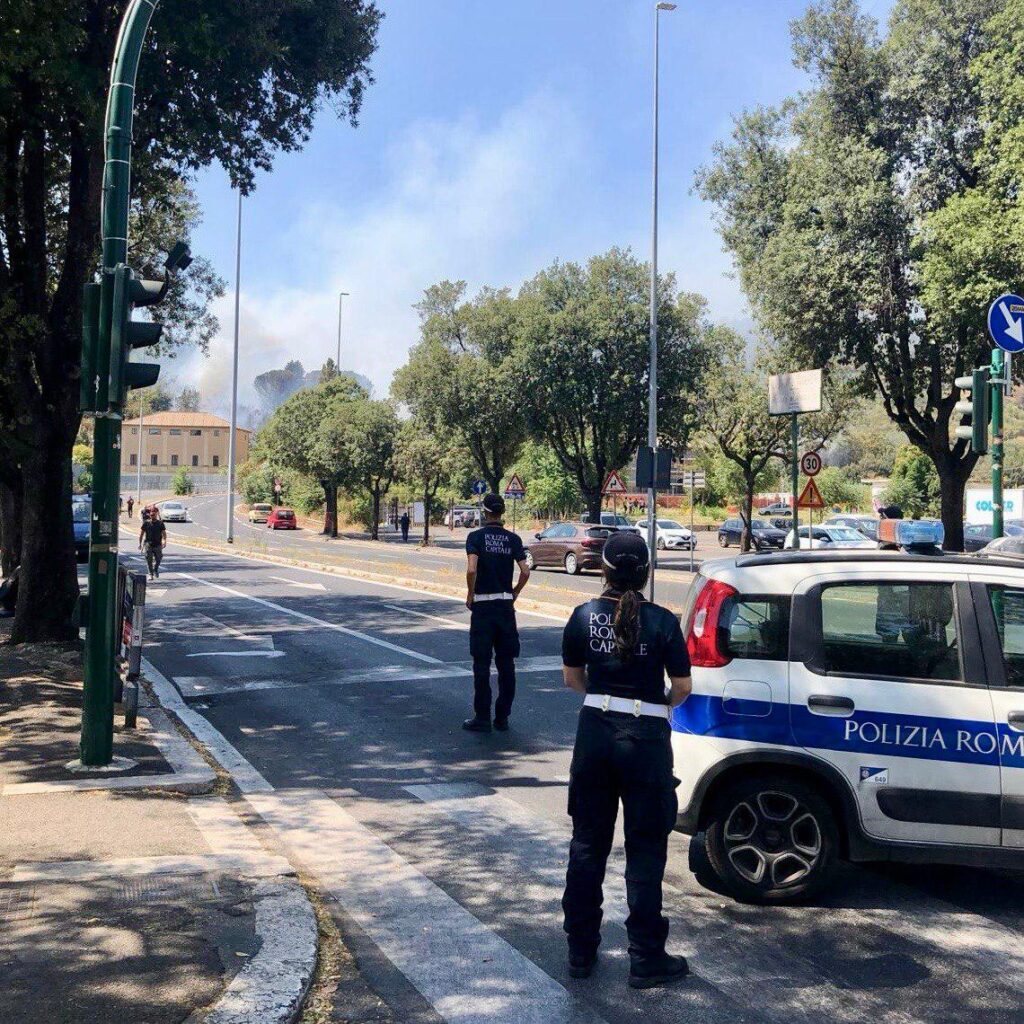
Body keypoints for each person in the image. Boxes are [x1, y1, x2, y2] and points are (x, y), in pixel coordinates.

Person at [560, 531, 692, 989]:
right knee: (646, 849)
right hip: (646, 741)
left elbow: (573, 679)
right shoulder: (663, 621)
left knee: (587, 845)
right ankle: (645, 957)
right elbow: (682, 687)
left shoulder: (582, 616)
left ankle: (580, 951)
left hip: (595, 735)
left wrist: (606, 696)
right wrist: (655, 704)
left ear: (604, 570)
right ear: (646, 572)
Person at [463, 493, 530, 732]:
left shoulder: (475, 537)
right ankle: (502, 717)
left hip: (483, 607)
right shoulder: (513, 539)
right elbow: (525, 571)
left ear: (484, 512)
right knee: (507, 665)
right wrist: (515, 593)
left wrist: (470, 594)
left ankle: (482, 717)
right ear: (502, 513)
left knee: (481, 664)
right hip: (505, 608)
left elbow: (472, 569)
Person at [139, 506, 166, 579]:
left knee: (159, 558)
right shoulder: (146, 523)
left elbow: (164, 534)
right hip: (148, 544)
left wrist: (164, 541)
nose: (152, 514)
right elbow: (141, 534)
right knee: (149, 560)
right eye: (151, 513)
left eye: (154, 513)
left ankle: (155, 569)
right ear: (150, 514)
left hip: (158, 544)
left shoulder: (160, 523)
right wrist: (140, 544)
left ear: (157, 514)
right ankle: (150, 574)